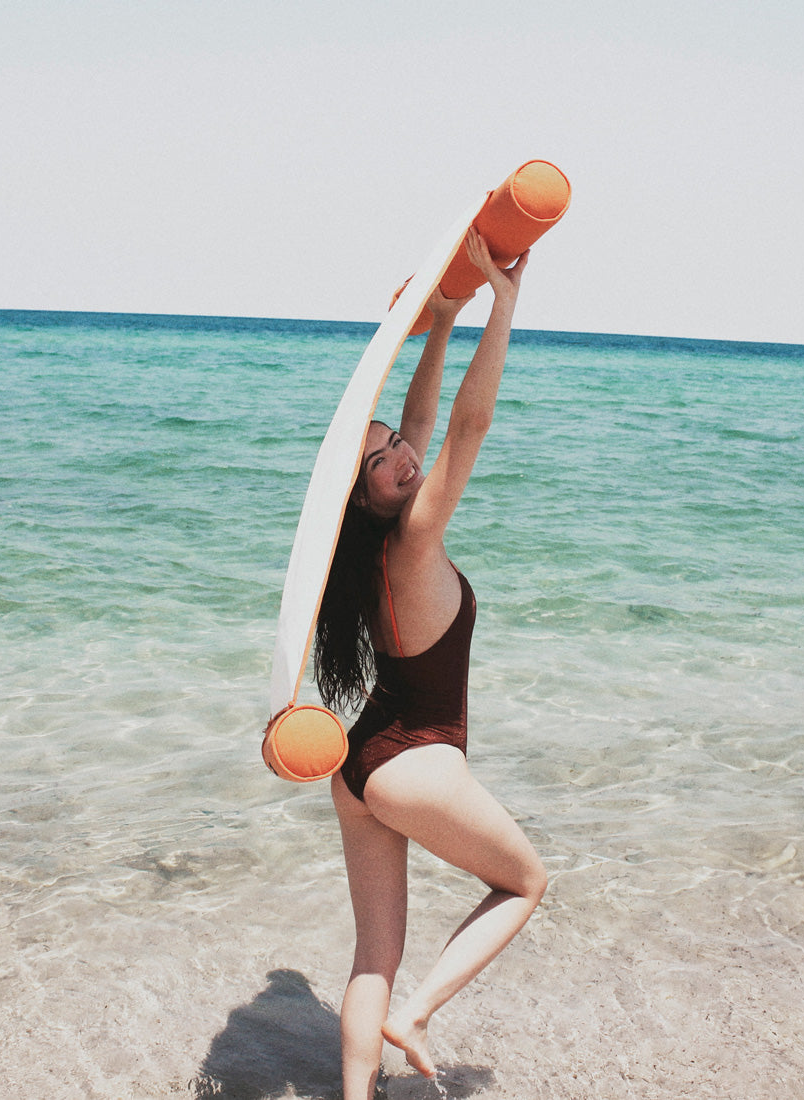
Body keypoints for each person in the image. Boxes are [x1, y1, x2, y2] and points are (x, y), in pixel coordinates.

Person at [312, 228, 547, 1099]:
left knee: (373, 951)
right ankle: (415, 1016)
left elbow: (418, 428)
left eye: (393, 448)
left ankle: (354, 1094)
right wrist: (505, 305)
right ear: (368, 492)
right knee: (524, 882)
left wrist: (444, 317)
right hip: (414, 761)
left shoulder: (371, 546)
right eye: (380, 461)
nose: (402, 456)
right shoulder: (415, 538)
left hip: (359, 760)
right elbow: (466, 427)